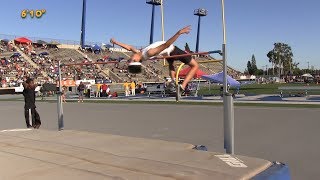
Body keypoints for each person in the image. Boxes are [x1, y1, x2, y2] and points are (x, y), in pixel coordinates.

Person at [110, 25, 199, 95]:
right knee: (195, 65)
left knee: (171, 65)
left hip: (168, 54)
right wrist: (179, 33)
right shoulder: (149, 53)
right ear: (136, 60)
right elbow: (166, 44)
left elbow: (129, 47)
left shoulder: (140, 53)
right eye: (131, 60)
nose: (130, 57)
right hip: (173, 50)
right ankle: (182, 87)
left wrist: (116, 42)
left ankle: (173, 81)